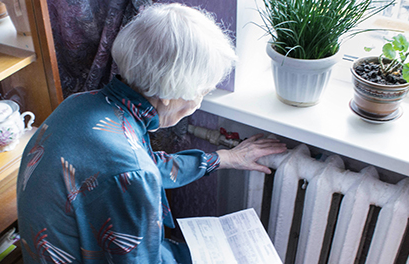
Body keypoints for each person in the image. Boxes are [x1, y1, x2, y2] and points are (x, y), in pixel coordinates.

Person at [16, 3, 287, 263]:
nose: (199, 103)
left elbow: (138, 166)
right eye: (202, 91)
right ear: (169, 95)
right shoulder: (131, 170)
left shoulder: (82, 104)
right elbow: (133, 175)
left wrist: (223, 159)